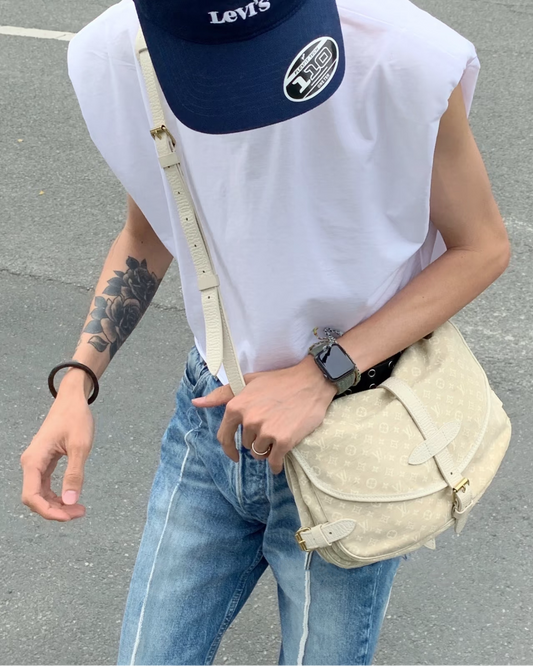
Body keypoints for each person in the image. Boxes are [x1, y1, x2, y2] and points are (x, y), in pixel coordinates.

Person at [20, 0, 510, 664]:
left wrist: (321, 374)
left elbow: (480, 247)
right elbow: (150, 234)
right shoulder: (122, 52)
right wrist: (78, 380)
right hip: (209, 425)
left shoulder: (405, 56)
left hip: (351, 430)